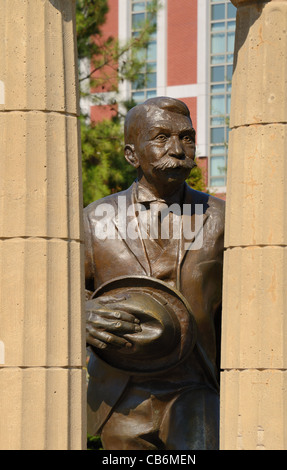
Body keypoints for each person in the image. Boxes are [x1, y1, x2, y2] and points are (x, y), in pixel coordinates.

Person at [84, 97, 225, 450]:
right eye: (161, 137)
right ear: (132, 155)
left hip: (199, 385)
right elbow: (56, 292)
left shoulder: (223, 218)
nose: (178, 149)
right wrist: (81, 313)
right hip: (122, 392)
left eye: (187, 138)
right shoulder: (94, 219)